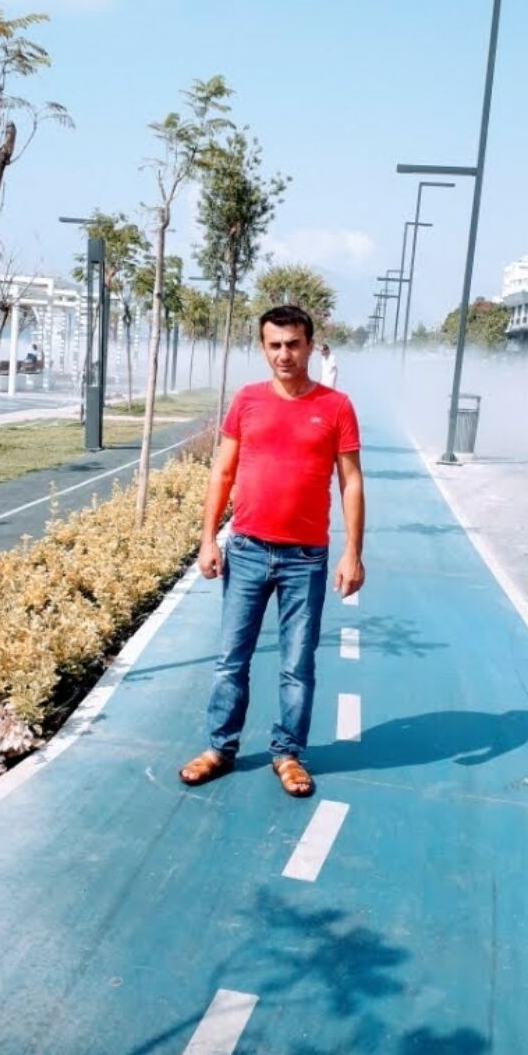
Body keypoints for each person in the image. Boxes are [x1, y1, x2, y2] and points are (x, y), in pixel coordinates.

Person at [180, 304, 365, 798]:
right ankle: (220, 748)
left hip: (305, 559)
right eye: (275, 345)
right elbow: (222, 472)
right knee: (230, 660)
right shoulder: (247, 400)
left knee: (297, 665)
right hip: (245, 551)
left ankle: (288, 753)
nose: (284, 354)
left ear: (310, 346)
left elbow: (350, 482)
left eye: (293, 344)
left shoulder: (337, 406)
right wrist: (208, 539)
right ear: (263, 348)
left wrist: (353, 552)